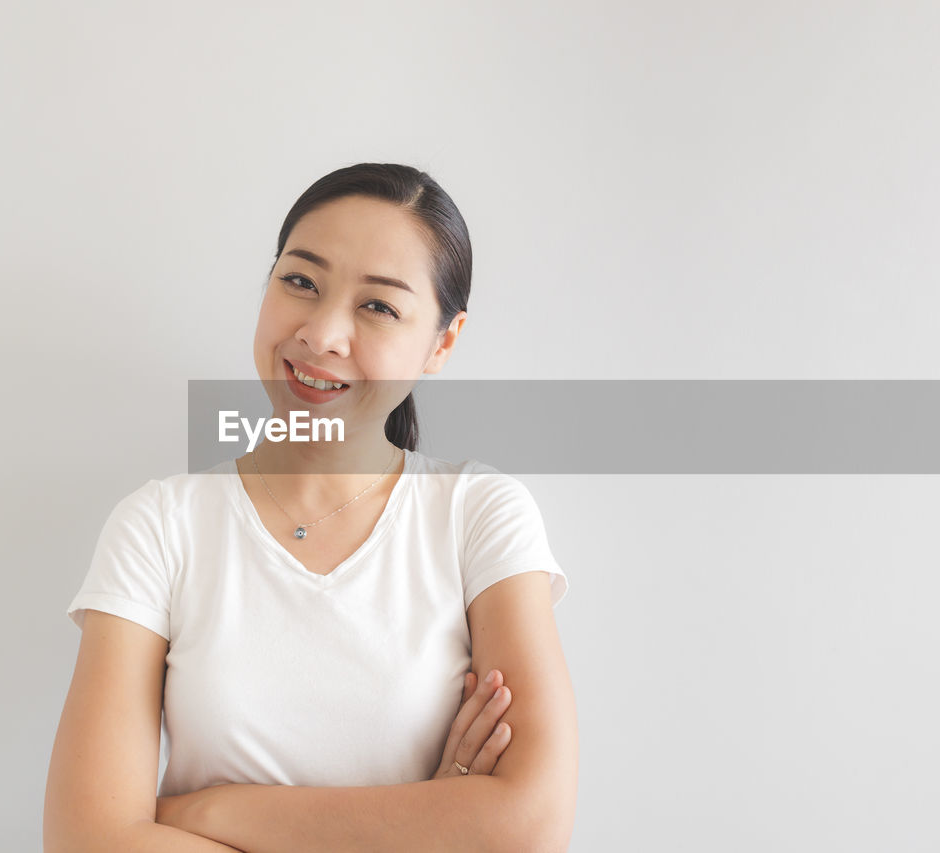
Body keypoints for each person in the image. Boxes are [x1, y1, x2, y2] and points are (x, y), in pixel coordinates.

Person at [44, 163, 579, 852]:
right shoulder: (159, 526)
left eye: (378, 306)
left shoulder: (478, 514)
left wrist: (211, 812)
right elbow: (89, 842)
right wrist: (435, 819)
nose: (323, 334)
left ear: (442, 341)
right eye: (301, 281)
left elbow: (529, 826)